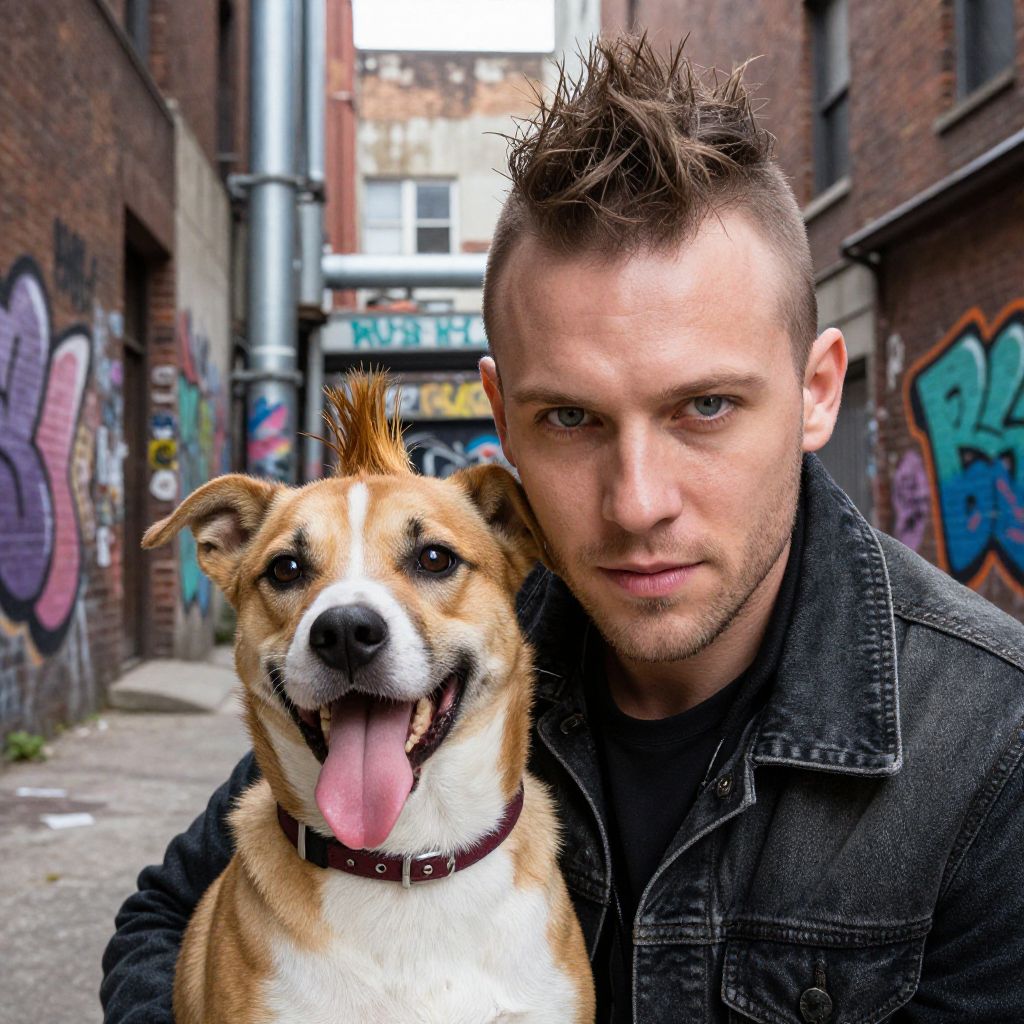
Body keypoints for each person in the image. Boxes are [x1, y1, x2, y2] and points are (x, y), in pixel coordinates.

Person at [101, 37, 1024, 1023]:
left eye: (704, 407)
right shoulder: (429, 646)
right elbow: (164, 918)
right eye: (571, 419)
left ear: (815, 391)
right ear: (500, 419)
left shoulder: (988, 744)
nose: (635, 502)